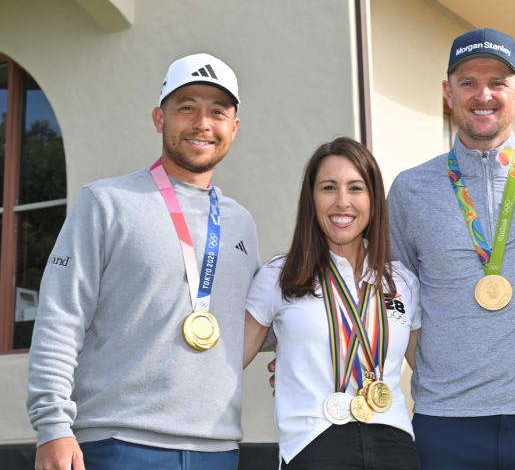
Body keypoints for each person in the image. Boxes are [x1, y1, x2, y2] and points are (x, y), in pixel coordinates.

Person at [27, 53, 260, 470]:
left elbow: (256, 320)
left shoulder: (240, 223)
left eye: (217, 112)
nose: (202, 123)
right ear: (159, 118)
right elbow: (60, 317)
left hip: (218, 449)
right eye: (187, 107)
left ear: (234, 128)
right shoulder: (105, 202)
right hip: (117, 443)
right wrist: (53, 427)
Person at [386, 27, 515, 469]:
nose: (483, 95)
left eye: (497, 82)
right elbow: (394, 298)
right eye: (468, 82)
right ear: (448, 92)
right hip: (446, 421)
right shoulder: (409, 189)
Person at [243, 137, 422, 469]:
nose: (342, 202)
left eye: (356, 188)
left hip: (394, 447)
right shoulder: (279, 276)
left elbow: (429, 371)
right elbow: (228, 363)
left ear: (373, 200)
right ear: (311, 199)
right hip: (313, 447)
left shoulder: (401, 281)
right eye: (328, 188)